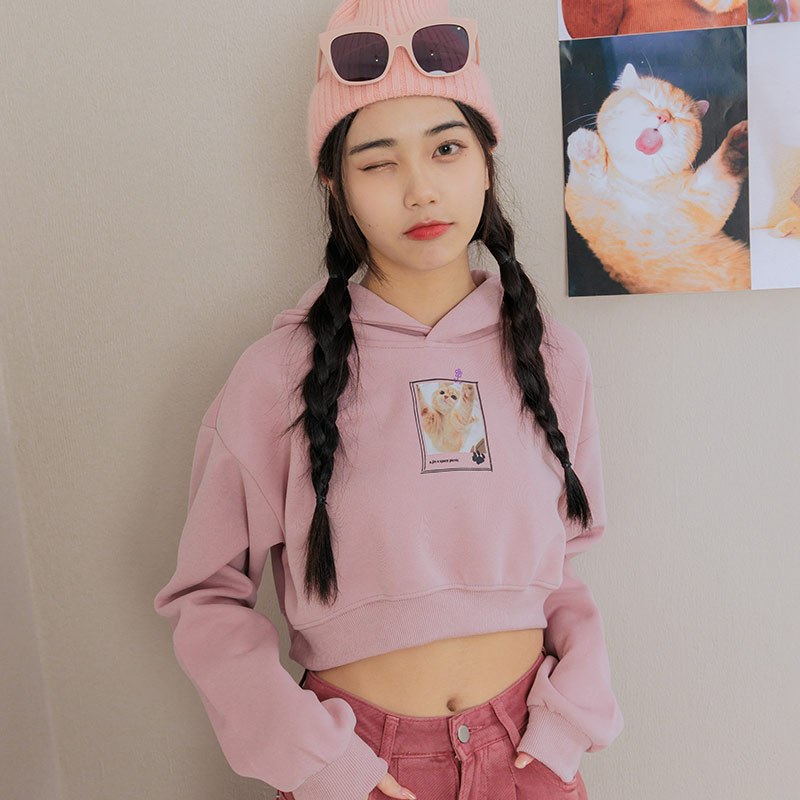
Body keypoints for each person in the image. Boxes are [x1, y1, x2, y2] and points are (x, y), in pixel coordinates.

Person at [152, 1, 624, 799]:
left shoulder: (551, 359)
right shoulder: (277, 375)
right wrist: (324, 764)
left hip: (530, 757)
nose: (421, 190)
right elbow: (205, 596)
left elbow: (561, 572)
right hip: (361, 767)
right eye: (378, 163)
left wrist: (567, 726)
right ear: (335, 185)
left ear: (486, 160)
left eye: (446, 149)